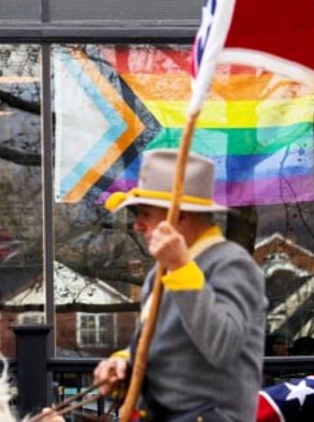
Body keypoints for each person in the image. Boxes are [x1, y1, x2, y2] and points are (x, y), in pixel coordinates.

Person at [92, 148, 267, 422]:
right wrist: (122, 363)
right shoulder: (159, 273)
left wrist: (182, 268)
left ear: (180, 217)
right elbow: (160, 347)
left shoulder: (233, 264)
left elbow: (222, 347)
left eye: (145, 214)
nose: (137, 225)